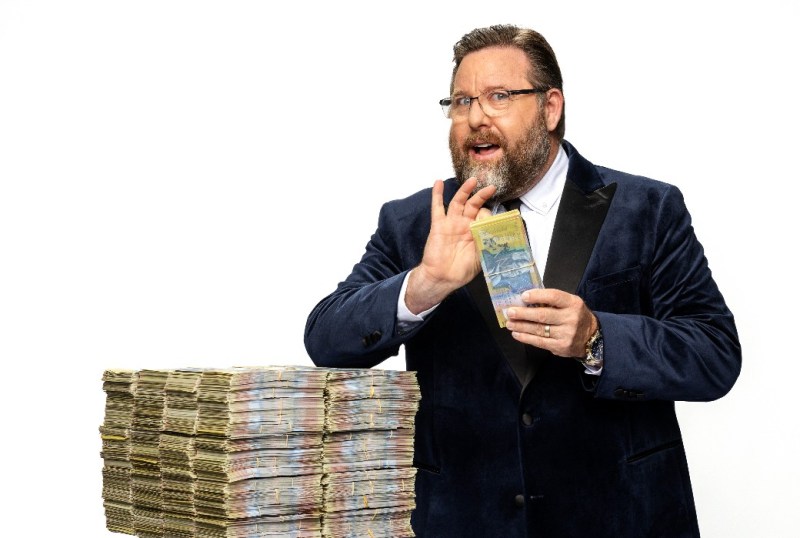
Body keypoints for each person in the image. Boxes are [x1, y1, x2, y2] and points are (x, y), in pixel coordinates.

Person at [304, 24, 740, 537]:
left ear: (551, 108)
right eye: (461, 101)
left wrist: (597, 338)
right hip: (466, 520)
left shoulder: (648, 208)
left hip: (621, 517)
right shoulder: (415, 223)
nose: (474, 118)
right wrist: (423, 285)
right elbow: (326, 340)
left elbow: (715, 355)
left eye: (499, 97)